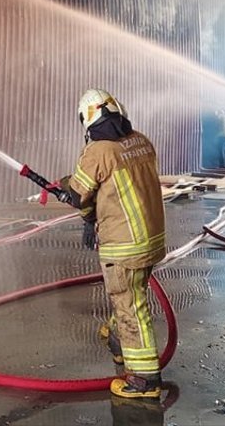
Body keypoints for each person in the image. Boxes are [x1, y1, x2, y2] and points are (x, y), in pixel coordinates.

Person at [58, 89, 167, 399]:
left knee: (130, 307)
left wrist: (65, 185)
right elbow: (113, 188)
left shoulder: (98, 151)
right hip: (151, 238)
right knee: (132, 296)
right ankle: (118, 340)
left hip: (124, 244)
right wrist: (89, 218)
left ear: (87, 118)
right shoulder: (141, 141)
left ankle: (144, 380)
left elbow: (78, 195)